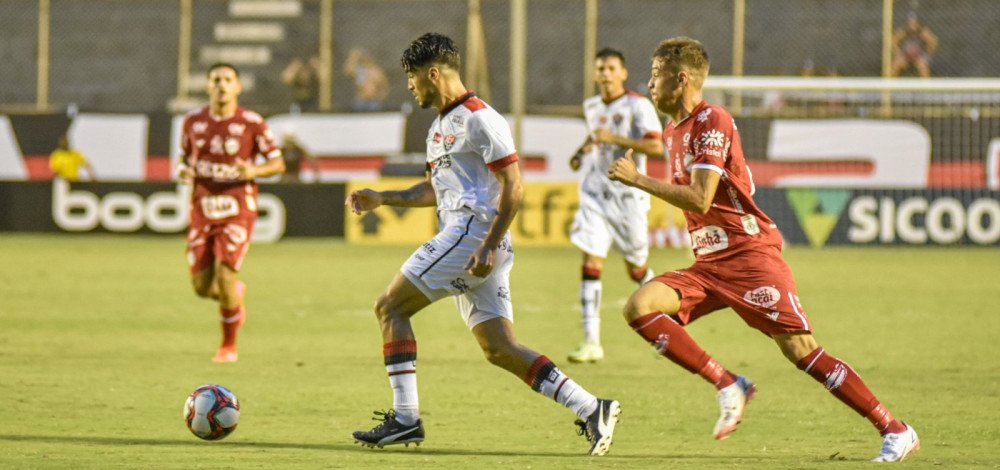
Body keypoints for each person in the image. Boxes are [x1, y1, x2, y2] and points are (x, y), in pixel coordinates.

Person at [607, 37, 919, 462]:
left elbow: (700, 198)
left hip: (748, 254)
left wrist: (638, 180)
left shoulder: (711, 120)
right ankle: (728, 383)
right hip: (709, 263)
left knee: (801, 351)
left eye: (656, 74)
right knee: (639, 307)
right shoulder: (671, 130)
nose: (649, 83)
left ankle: (896, 429)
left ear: (680, 79)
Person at [345, 33, 619, 455]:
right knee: (499, 349)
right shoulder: (438, 127)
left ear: (433, 73)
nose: (409, 85)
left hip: (473, 234)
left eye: (412, 76)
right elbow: (436, 190)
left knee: (390, 306)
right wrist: (384, 198)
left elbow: (514, 185)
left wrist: (489, 244)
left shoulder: (479, 118)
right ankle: (592, 407)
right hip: (468, 237)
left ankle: (405, 418)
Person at [176, 62, 286, 363]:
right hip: (202, 209)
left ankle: (228, 346)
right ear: (208, 86)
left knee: (225, 274)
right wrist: (184, 171)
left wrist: (253, 169)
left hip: (237, 208)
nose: (221, 85)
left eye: (227, 79)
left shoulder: (251, 122)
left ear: (237, 87)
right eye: (216, 80)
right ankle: (234, 296)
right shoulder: (192, 122)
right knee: (201, 286)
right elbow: (184, 159)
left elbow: (278, 164)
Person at [566, 48, 663, 364]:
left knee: (636, 268)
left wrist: (616, 140)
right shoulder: (591, 105)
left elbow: (655, 145)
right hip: (596, 196)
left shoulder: (638, 106)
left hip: (628, 198)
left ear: (622, 73)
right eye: (600, 69)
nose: (605, 74)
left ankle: (665, 326)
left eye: (611, 68)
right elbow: (597, 136)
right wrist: (581, 151)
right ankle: (590, 340)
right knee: (591, 263)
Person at [890, 12, 938, 78]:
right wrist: (898, 53)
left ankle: (925, 87)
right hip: (905, 56)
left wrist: (927, 55)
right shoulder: (903, 31)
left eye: (914, 23)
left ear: (918, 23)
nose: (912, 25)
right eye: (910, 23)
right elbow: (893, 41)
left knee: (923, 67)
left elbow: (933, 41)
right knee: (896, 64)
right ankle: (889, 86)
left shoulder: (923, 32)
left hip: (919, 56)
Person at [343, 47, 389, 112]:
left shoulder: (376, 71)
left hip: (373, 101)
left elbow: (384, 86)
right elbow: (348, 70)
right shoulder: (359, 70)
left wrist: (380, 97)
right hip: (360, 100)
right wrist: (354, 56)